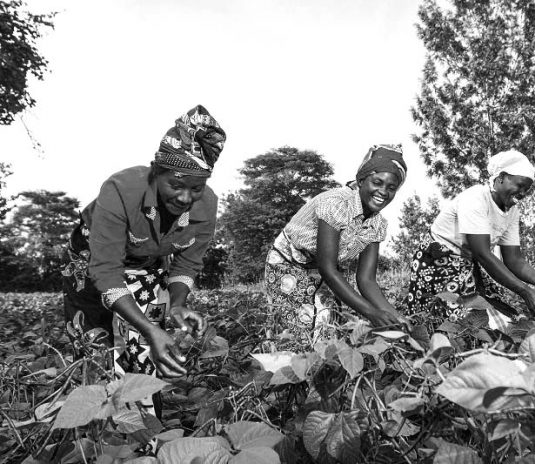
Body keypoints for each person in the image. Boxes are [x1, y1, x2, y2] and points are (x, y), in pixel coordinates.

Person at [62, 105, 225, 398]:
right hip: (92, 256)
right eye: (176, 184)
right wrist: (149, 328)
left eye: (197, 188)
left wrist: (176, 305)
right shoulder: (121, 189)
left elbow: (187, 264)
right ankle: (97, 423)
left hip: (147, 260)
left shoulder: (207, 205)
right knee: (94, 340)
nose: (186, 197)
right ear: (156, 171)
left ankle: (142, 424)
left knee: (148, 346)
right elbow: (106, 271)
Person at [265, 144, 409, 341]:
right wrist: (371, 313)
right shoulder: (337, 203)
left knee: (330, 324)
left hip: (318, 270)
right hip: (287, 262)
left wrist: (395, 316)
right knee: (300, 327)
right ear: (361, 180)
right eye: (377, 182)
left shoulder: (377, 224)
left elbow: (366, 280)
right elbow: (328, 268)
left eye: (391, 188)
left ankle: (321, 370)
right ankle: (279, 366)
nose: (383, 191)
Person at [405, 150, 535, 330]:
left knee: (507, 319)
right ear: (501, 177)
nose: (523, 193)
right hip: (436, 265)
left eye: (527, 189)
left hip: (467, 265)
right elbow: (483, 254)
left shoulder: (511, 211)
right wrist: (525, 291)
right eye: (520, 185)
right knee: (453, 325)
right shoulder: (476, 198)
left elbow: (514, 260)